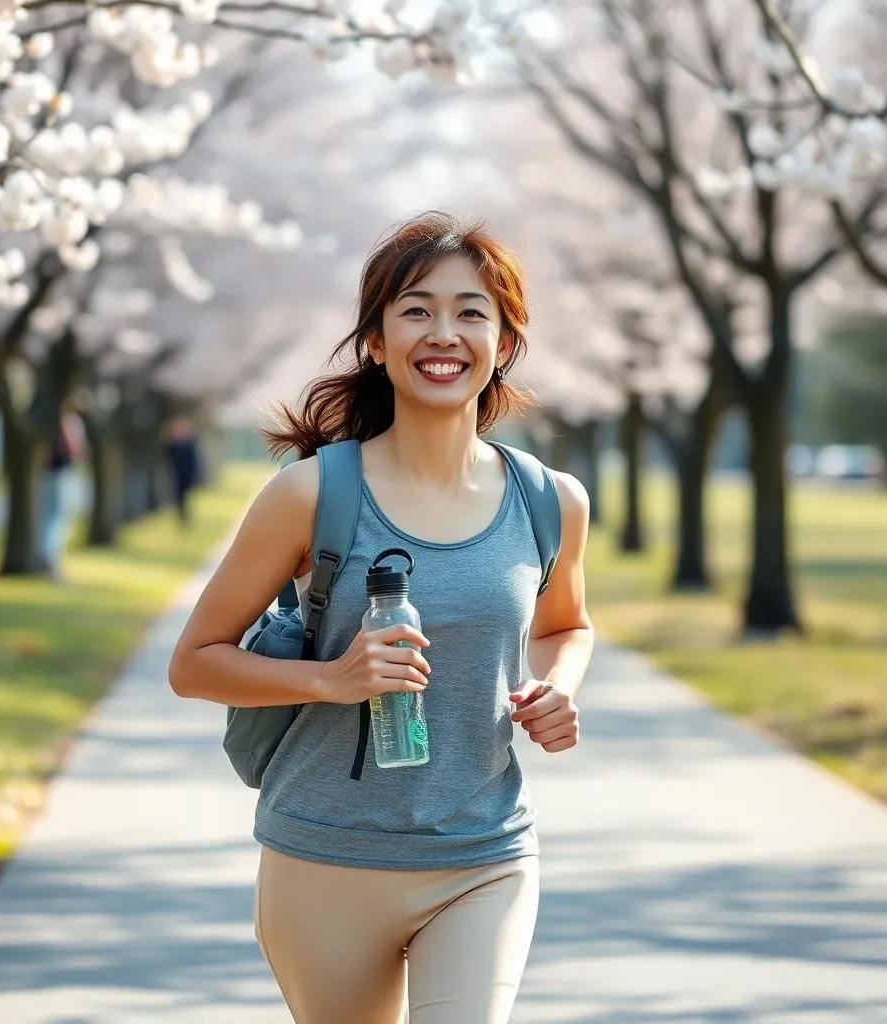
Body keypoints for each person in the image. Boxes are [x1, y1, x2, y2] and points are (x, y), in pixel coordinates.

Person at [168, 211, 594, 1024]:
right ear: (376, 340)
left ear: (504, 341)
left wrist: (559, 687)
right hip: (326, 855)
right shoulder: (312, 495)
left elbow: (567, 624)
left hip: (484, 852)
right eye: (416, 309)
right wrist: (332, 678)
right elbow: (194, 662)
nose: (445, 332)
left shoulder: (550, 502)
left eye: (472, 311)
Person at [39, 400, 85, 580]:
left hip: (49, 473)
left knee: (50, 516)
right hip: (61, 472)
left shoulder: (45, 420)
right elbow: (77, 449)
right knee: (56, 518)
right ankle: (50, 560)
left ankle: (48, 558)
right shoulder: (69, 421)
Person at [163, 415, 201, 526]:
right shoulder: (175, 445)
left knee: (185, 497)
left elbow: (193, 461)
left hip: (187, 475)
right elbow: (168, 455)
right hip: (178, 475)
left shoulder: (188, 445)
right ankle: (182, 517)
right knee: (179, 497)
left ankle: (185, 517)